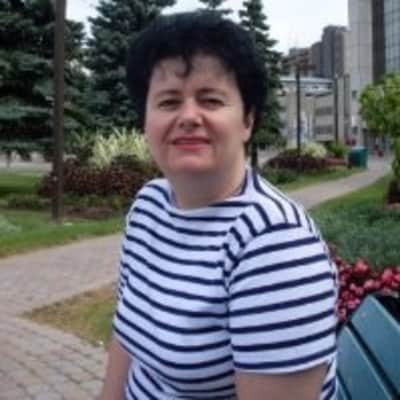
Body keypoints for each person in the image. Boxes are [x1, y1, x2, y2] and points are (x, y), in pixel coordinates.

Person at [100, 11, 337, 400]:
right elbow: (127, 337)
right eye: (168, 101)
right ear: (146, 120)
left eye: (210, 99)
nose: (188, 117)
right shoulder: (148, 207)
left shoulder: (276, 245)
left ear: (247, 120)